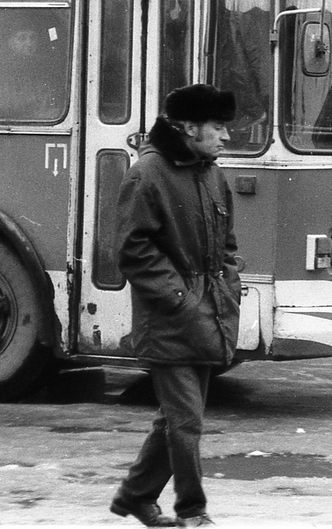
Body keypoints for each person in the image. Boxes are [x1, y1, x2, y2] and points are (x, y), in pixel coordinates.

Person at [111, 84, 243, 528]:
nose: (226, 137)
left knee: (175, 419)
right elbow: (132, 250)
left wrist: (227, 281)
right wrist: (180, 300)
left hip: (208, 315)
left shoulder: (211, 173)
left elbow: (226, 246)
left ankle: (136, 495)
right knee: (186, 421)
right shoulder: (147, 173)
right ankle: (193, 511)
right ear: (189, 128)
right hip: (170, 320)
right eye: (219, 128)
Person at [0, 26, 63, 119]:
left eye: (32, 38)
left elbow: (50, 107)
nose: (29, 43)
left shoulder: (44, 73)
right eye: (22, 38)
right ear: (9, 41)